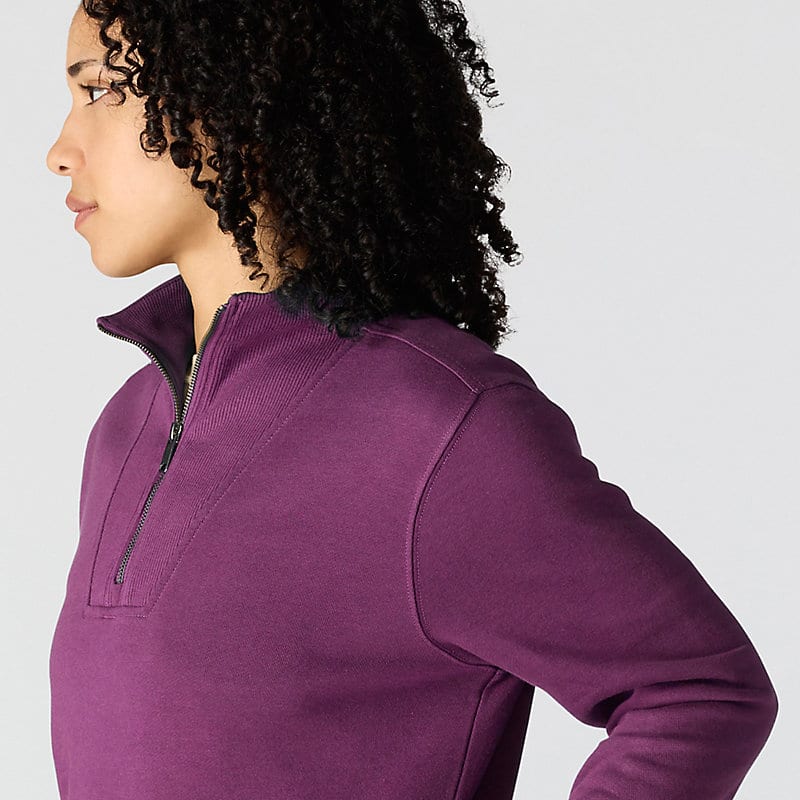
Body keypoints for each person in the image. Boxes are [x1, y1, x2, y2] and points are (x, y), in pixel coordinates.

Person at [45, 2, 778, 799]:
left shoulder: (440, 429)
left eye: (102, 89)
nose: (59, 151)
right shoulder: (129, 423)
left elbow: (699, 691)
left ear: (237, 101)